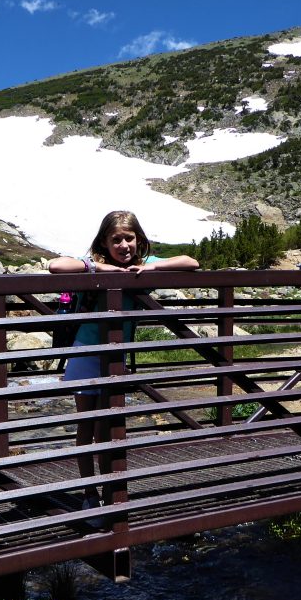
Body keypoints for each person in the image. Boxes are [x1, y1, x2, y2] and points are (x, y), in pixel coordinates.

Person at [48, 210, 199, 519]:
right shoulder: (91, 265)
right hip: (86, 353)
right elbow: (55, 266)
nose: (123, 245)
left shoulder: (143, 264)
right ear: (104, 242)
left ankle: (107, 493)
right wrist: (97, 266)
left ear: (138, 240)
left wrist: (150, 266)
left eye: (129, 238)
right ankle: (89, 494)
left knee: (107, 428)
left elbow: (191, 262)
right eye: (116, 239)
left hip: (114, 358)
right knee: (86, 425)